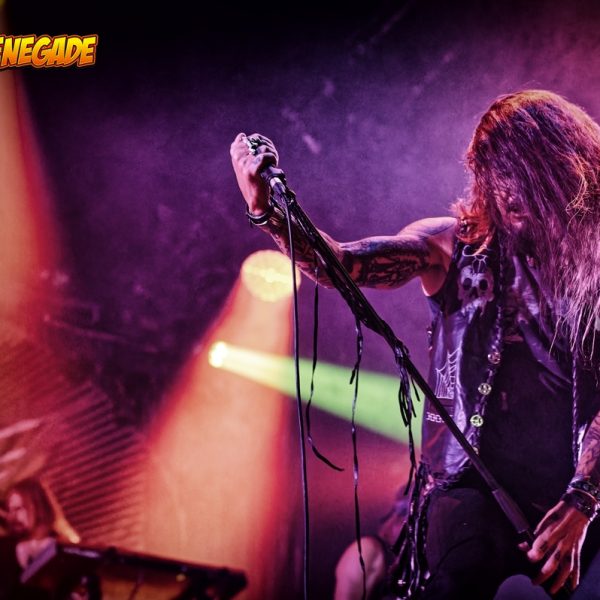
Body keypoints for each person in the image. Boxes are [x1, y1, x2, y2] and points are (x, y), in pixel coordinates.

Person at [231, 89, 600, 599]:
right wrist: (268, 212)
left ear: (561, 169)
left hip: (571, 490)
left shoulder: (593, 266)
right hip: (466, 484)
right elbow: (342, 264)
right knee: (437, 573)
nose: (509, 190)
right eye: (497, 173)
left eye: (521, 170)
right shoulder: (451, 244)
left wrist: (583, 498)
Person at [0, 478, 83, 600]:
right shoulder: (4, 549)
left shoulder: (64, 549)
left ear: (38, 506)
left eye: (18, 509)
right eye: (10, 510)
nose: (12, 516)